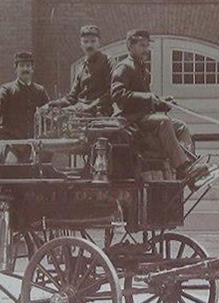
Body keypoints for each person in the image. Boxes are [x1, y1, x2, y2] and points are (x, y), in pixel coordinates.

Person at [110, 29, 208, 184]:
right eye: (142, 46)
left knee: (181, 127)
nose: (146, 50)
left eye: (147, 46)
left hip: (144, 117)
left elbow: (146, 101)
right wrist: (150, 98)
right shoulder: (124, 67)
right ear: (130, 46)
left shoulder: (142, 69)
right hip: (131, 120)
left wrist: (162, 102)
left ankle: (190, 164)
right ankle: (182, 166)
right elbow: (118, 96)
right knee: (163, 121)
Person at [0, 51, 50, 163]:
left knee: (41, 170)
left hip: (33, 144)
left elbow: (49, 115)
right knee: (11, 164)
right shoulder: (7, 90)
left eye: (28, 66)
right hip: (11, 144)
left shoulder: (40, 91)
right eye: (21, 66)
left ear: (32, 69)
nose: (25, 69)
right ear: (16, 69)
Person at [52, 25, 113, 116]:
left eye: (93, 41)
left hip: (100, 110)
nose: (89, 45)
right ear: (81, 45)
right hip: (80, 109)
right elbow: (72, 97)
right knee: (53, 114)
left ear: (99, 43)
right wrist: (55, 103)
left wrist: (91, 106)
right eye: (85, 42)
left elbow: (112, 91)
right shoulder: (81, 67)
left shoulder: (107, 61)